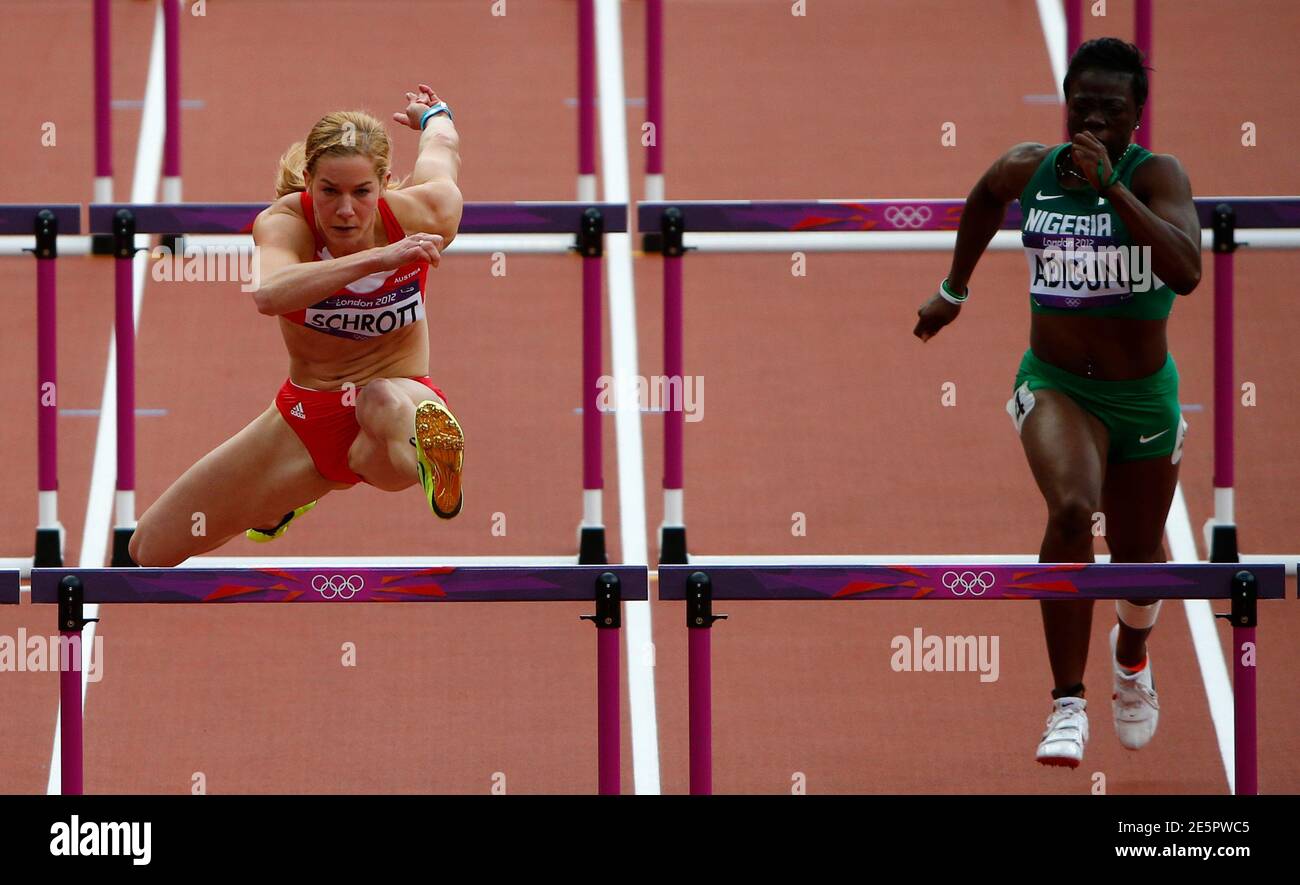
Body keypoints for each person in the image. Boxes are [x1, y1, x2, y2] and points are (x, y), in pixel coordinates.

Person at [913, 39, 1202, 767]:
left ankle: (1130, 659)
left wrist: (1112, 190)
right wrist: (954, 290)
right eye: (1084, 104)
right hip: (1055, 383)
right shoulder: (1029, 167)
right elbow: (983, 197)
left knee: (1138, 556)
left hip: (1142, 397)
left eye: (1114, 107)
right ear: (1065, 100)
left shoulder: (1156, 175)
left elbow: (1188, 269)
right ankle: (1066, 703)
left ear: (1138, 114)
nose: (1096, 119)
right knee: (1073, 508)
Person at [129, 86, 466, 567]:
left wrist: (433, 114)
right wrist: (380, 257)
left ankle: (436, 453)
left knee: (380, 400)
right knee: (150, 549)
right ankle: (285, 497)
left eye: (362, 192)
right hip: (309, 416)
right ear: (308, 181)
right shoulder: (285, 223)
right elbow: (270, 293)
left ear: (386, 183)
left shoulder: (428, 213)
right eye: (330, 191)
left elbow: (442, 148)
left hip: (403, 399)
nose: (345, 210)